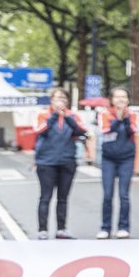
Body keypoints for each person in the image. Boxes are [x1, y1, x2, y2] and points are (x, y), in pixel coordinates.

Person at [34, 87, 89, 240]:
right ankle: (42, 229)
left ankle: (61, 228)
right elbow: (40, 131)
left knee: (63, 198)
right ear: (51, 100)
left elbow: (81, 131)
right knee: (45, 196)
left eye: (63, 98)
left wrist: (66, 117)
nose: (60, 101)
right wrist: (54, 117)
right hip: (46, 161)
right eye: (57, 98)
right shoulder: (43, 114)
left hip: (67, 161)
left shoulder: (73, 116)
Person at [96, 87, 138, 239]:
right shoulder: (104, 114)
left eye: (124, 97)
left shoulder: (133, 115)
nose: (121, 100)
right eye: (117, 97)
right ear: (112, 99)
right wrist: (117, 118)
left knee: (124, 194)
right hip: (108, 158)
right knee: (108, 194)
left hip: (126, 158)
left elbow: (132, 130)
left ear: (128, 100)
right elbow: (105, 130)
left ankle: (124, 226)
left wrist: (124, 118)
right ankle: (105, 227)